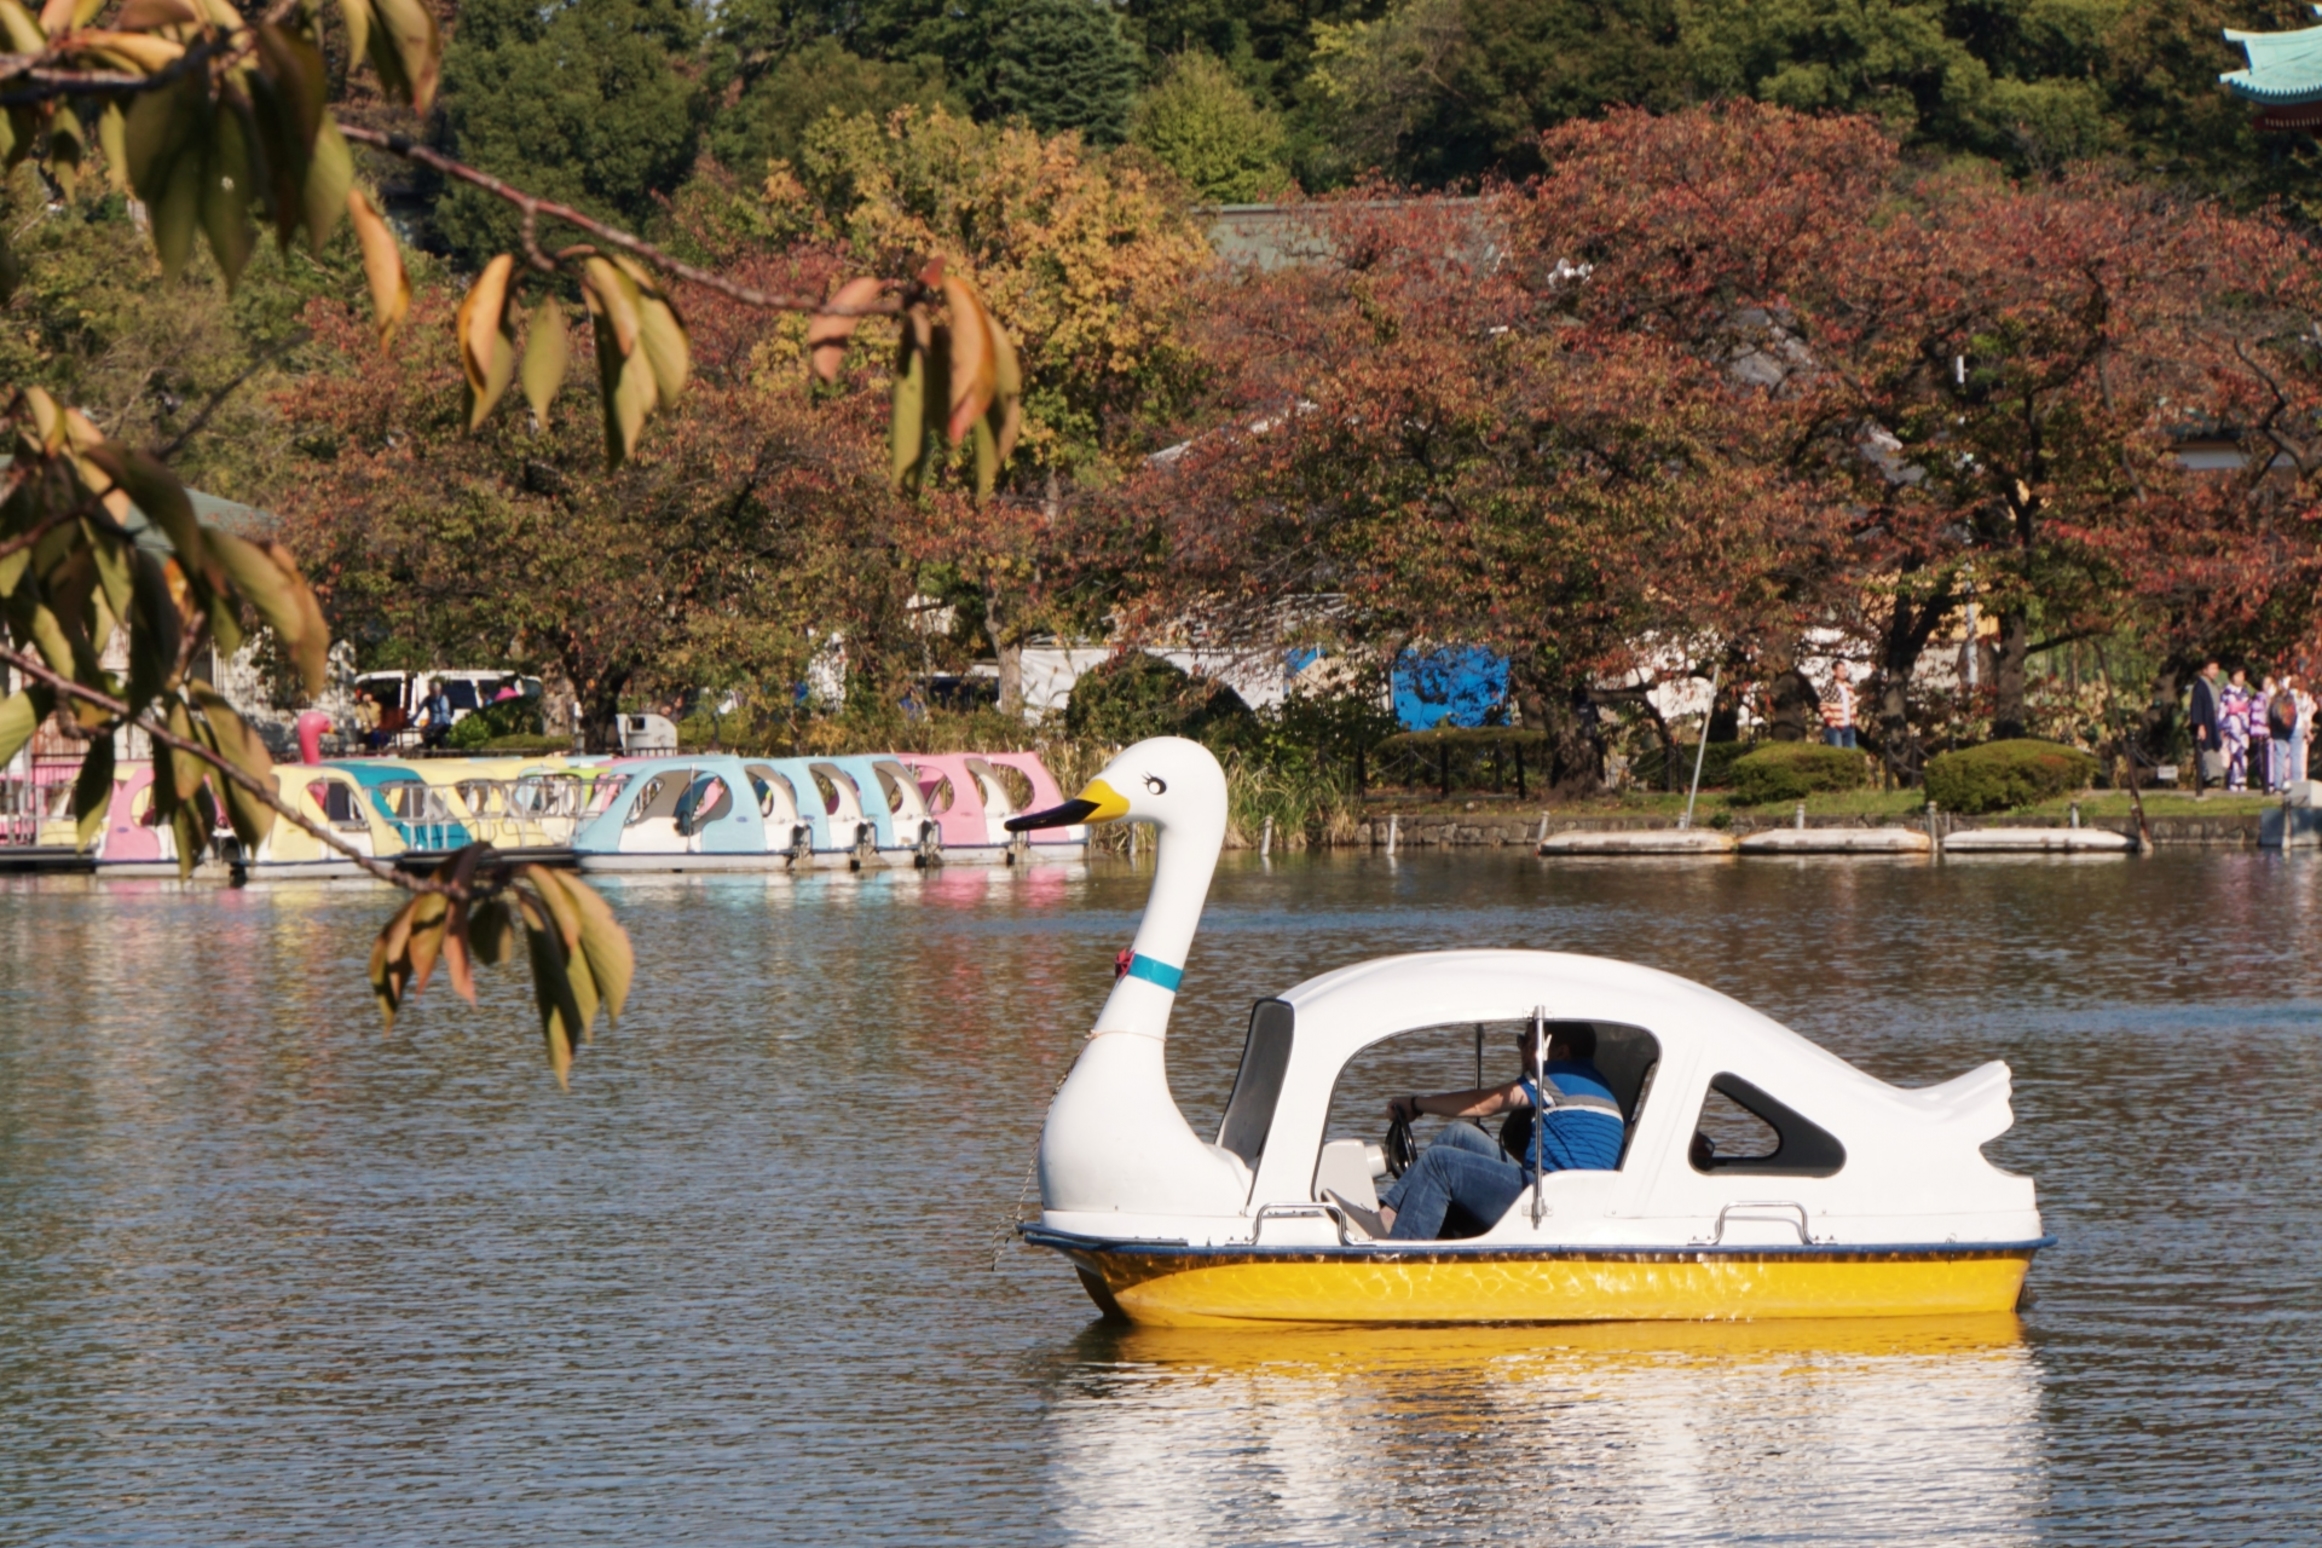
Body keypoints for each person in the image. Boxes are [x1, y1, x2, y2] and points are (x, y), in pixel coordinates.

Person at [1372, 1022, 1624, 1241]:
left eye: (1532, 1043)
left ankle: (1399, 1258)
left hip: (1552, 1205)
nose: (1524, 1050)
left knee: (1439, 1163)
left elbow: (1483, 1102)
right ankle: (1390, 1211)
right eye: (1522, 1041)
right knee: (1460, 1134)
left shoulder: (1558, 1075)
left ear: (1561, 1052)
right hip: (1568, 1199)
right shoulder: (1602, 1086)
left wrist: (1416, 1104)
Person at [2189, 659, 2222, 797]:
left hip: (2214, 722)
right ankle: (2208, 779)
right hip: (2205, 723)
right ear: (2204, 670)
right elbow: (2197, 707)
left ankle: (2216, 778)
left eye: (2216, 668)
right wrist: (2200, 725)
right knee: (2206, 750)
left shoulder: (2213, 685)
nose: (2215, 671)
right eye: (2212, 668)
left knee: (2214, 749)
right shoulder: (2200, 686)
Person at [2221, 669, 2254, 793]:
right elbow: (2222, 710)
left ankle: (2243, 779)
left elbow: (2249, 709)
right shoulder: (2226, 692)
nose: (2241, 678)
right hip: (2232, 726)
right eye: (2238, 675)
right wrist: (2223, 727)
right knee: (2234, 754)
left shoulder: (2246, 693)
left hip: (2243, 727)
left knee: (2243, 753)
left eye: (2243, 675)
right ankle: (2234, 780)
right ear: (2232, 676)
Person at [2268, 672, 2301, 795]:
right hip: (2297, 726)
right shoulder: (2300, 693)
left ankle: (2277, 785)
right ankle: (2296, 785)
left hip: (2278, 726)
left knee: (2279, 755)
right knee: (2295, 756)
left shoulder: (2274, 690)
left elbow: (2269, 709)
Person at [1819, 663, 1858, 749]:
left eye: (1845, 670)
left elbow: (1853, 705)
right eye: (1841, 670)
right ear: (1834, 672)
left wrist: (1853, 720)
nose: (1844, 672)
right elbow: (1823, 706)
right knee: (1837, 752)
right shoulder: (1829, 686)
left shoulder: (1849, 687)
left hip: (1849, 727)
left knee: (1853, 755)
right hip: (1835, 727)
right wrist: (1831, 722)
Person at [417, 678, 456, 750]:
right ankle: (428, 753)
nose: (431, 693)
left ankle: (442, 752)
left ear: (438, 690)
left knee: (440, 739)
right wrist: (411, 720)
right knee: (427, 738)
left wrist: (439, 725)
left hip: (443, 724)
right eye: (430, 691)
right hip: (433, 724)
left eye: (433, 691)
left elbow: (444, 713)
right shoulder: (427, 699)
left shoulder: (443, 699)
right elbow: (418, 711)